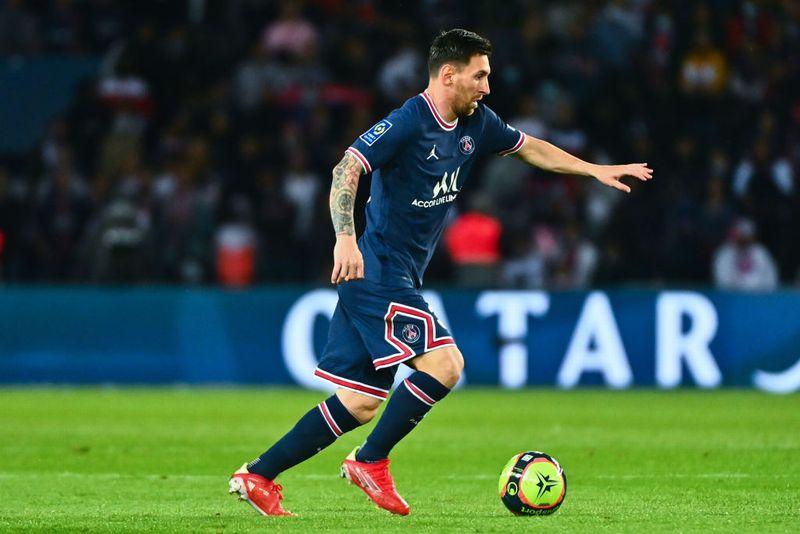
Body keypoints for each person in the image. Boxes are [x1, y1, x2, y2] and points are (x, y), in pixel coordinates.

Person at [228, 28, 652, 517]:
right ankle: (370, 461)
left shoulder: (477, 123)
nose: (488, 86)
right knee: (446, 365)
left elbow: (530, 146)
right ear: (448, 75)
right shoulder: (409, 121)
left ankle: (258, 475)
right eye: (480, 76)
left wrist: (592, 170)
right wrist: (345, 237)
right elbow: (347, 168)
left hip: (398, 275)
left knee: (359, 404)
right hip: (377, 272)